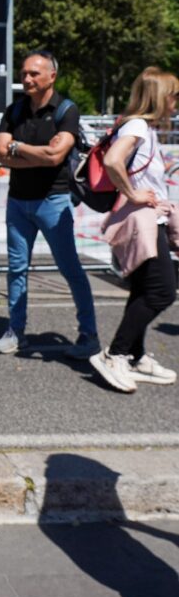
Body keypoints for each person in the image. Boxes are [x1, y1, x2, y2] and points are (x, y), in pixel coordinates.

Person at [0, 49, 99, 357]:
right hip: (18, 202)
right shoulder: (14, 110)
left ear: (52, 76)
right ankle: (16, 330)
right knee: (16, 269)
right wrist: (34, 154)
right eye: (24, 73)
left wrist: (17, 147)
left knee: (70, 268)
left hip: (54, 201)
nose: (26, 79)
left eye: (34, 73)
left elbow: (55, 157)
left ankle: (89, 335)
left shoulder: (66, 110)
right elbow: (0, 154)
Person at [90, 67, 179, 393]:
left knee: (144, 289)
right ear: (159, 96)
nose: (176, 102)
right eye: (174, 95)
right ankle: (114, 354)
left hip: (148, 219)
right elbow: (113, 160)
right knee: (162, 291)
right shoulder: (138, 125)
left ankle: (135, 356)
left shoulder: (142, 127)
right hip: (142, 220)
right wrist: (133, 193)